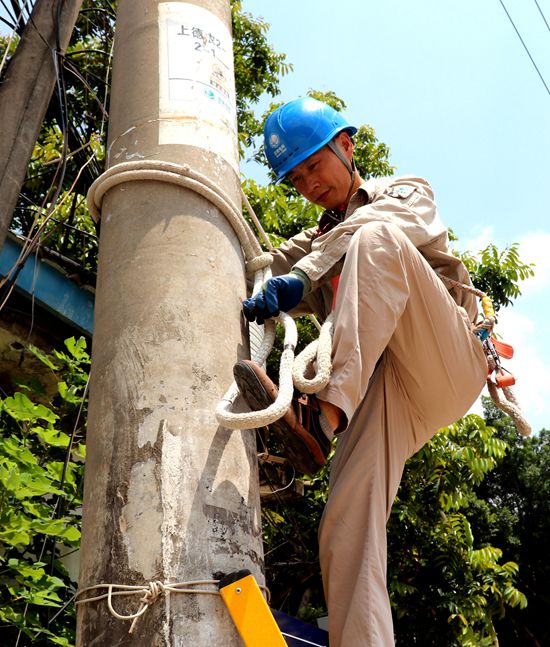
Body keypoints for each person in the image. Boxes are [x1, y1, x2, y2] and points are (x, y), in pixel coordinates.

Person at [233, 97, 487, 647]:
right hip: (381, 391)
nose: (309, 183)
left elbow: (364, 235)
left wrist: (303, 278)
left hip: (444, 360)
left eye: (315, 165)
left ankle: (318, 419)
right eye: (295, 178)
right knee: (345, 530)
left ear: (346, 146)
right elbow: (264, 266)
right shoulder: (313, 242)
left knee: (372, 239)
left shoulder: (406, 191)